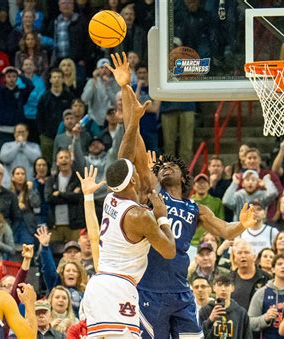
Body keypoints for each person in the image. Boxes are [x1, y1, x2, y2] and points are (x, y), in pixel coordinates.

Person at [105, 52, 257, 339]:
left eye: (170, 166)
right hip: (149, 288)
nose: (164, 168)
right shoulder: (151, 192)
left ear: (184, 176)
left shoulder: (197, 209)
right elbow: (131, 135)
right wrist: (126, 87)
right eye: (160, 167)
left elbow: (226, 231)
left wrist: (243, 225)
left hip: (180, 290)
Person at [77, 159, 176, 337]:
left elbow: (94, 237)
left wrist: (88, 197)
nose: (139, 174)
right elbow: (169, 251)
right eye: (136, 172)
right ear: (132, 180)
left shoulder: (110, 199)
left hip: (97, 285)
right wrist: (162, 218)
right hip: (117, 288)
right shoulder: (140, 217)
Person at [248, 254, 284, 339]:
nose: (283, 266)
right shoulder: (261, 292)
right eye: (279, 264)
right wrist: (265, 318)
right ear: (273, 269)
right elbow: (250, 322)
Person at [199, 274, 252, 339]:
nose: (223, 289)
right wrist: (210, 321)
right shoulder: (204, 311)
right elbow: (199, 336)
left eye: (227, 285)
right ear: (214, 288)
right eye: (220, 285)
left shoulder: (241, 313)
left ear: (232, 288)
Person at [230, 240, 271, 311]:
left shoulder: (267, 278)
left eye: (246, 252)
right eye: (239, 253)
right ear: (235, 258)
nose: (243, 256)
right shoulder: (229, 279)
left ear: (254, 257)